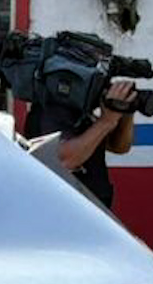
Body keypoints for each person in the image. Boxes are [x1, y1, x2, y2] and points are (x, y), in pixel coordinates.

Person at [23, 73, 138, 210]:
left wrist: (125, 112)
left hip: (95, 204)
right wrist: (107, 121)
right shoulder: (51, 110)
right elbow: (64, 160)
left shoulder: (82, 112)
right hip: (66, 209)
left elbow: (119, 146)